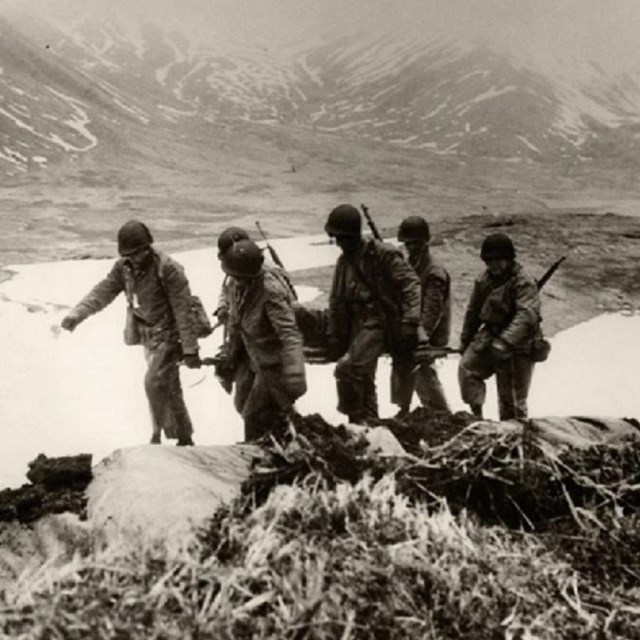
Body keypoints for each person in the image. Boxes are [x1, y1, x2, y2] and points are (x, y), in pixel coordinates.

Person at [60, 220, 202, 446]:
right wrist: (78, 314)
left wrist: (190, 349)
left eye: (138, 253)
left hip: (168, 334)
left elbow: (183, 311)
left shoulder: (169, 269)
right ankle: (182, 436)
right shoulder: (123, 268)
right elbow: (103, 292)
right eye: (130, 255)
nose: (134, 259)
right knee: (167, 385)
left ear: (148, 248)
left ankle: (161, 436)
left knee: (154, 382)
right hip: (147, 335)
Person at [325, 204, 421, 424]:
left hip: (381, 322)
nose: (339, 243)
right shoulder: (343, 262)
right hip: (356, 323)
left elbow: (411, 285)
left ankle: (357, 418)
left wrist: (411, 320)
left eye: (341, 238)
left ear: (352, 235)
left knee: (347, 369)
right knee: (364, 378)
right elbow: (336, 301)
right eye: (335, 238)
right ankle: (367, 423)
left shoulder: (382, 254)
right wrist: (334, 334)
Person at [216, 238, 306, 441]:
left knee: (253, 414)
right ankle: (277, 439)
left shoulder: (270, 291)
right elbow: (236, 321)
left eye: (238, 278)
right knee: (242, 404)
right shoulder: (237, 283)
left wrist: (295, 373)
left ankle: (257, 455)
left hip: (275, 363)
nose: (234, 281)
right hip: (256, 357)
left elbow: (289, 334)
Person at [458, 233, 542, 420]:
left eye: (499, 260)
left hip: (519, 345)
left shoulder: (523, 282)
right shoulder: (483, 280)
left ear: (508, 259)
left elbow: (526, 316)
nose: (494, 265)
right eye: (489, 261)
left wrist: (505, 342)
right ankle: (476, 418)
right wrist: (465, 341)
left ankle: (515, 437)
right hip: (492, 335)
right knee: (468, 369)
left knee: (511, 401)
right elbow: (473, 312)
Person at [392, 216, 451, 417]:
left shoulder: (434, 272)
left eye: (416, 243)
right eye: (408, 244)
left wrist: (420, 337)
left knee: (420, 367)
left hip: (430, 333)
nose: (411, 247)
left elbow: (432, 312)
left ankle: (440, 412)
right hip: (415, 328)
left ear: (426, 242)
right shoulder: (413, 264)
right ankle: (403, 408)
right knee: (401, 360)